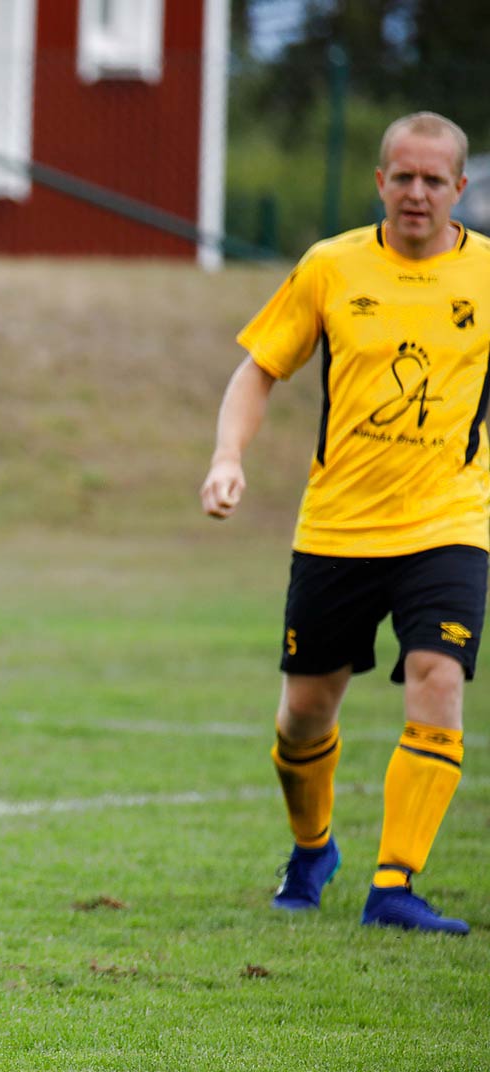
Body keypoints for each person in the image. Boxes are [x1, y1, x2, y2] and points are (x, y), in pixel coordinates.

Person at [200, 111, 486, 936]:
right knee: (304, 713)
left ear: (460, 189)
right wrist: (228, 457)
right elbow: (258, 371)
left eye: (435, 180)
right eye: (404, 176)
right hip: (337, 529)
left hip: (449, 522)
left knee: (439, 677)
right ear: (380, 182)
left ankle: (394, 885)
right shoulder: (331, 266)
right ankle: (311, 846)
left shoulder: (489, 277)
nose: (418, 193)